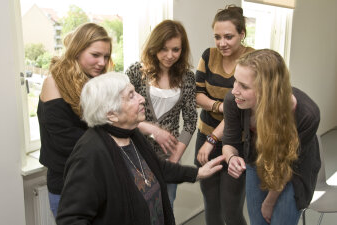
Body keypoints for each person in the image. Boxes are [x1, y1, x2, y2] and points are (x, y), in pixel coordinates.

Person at [56, 72, 225, 225]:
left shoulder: (132, 134)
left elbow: (158, 168)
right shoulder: (90, 154)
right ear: (111, 114)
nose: (141, 98)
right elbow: (70, 219)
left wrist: (197, 173)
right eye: (131, 96)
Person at [222, 49, 321, 225]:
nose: (234, 90)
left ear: (268, 90)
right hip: (256, 161)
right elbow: (229, 141)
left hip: (292, 171)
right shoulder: (233, 101)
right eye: (235, 80)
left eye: (244, 86)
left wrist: (269, 202)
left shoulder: (306, 114)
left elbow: (287, 165)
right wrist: (231, 157)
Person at [37, 23, 112, 217]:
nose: (102, 63)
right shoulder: (54, 82)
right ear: (77, 50)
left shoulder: (90, 81)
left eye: (106, 56)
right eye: (95, 55)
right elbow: (68, 141)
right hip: (68, 185)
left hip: (95, 181)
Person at [126, 20, 197, 207]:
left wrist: (174, 159)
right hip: (137, 154)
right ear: (154, 46)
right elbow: (123, 114)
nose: (170, 55)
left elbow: (190, 121)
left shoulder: (188, 78)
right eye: (164, 49)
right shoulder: (136, 72)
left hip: (170, 157)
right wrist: (153, 131)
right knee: (138, 208)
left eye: (176, 49)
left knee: (166, 206)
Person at [194, 5, 253, 225]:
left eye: (229, 37)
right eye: (217, 37)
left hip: (235, 141)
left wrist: (212, 140)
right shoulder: (208, 55)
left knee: (231, 209)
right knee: (211, 204)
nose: (222, 43)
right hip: (206, 135)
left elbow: (241, 110)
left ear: (242, 34)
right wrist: (220, 106)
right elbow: (197, 95)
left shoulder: (252, 59)